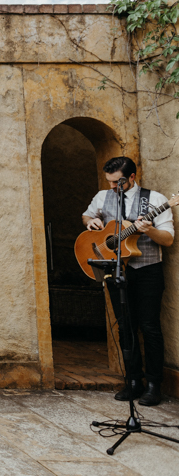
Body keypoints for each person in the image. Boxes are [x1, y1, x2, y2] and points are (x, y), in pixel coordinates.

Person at [82, 156, 173, 406]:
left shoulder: (155, 200)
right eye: (109, 181)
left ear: (131, 177)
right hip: (116, 270)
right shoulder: (103, 196)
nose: (112, 186)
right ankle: (133, 381)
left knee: (150, 326)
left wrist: (149, 230)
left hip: (148, 271)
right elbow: (86, 217)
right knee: (125, 326)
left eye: (117, 182)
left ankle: (154, 384)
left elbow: (167, 240)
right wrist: (92, 222)